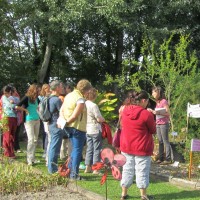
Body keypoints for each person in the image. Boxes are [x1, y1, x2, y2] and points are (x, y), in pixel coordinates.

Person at [120, 90, 156, 200]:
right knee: (142, 171)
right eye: (147, 101)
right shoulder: (147, 114)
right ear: (144, 101)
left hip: (126, 146)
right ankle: (143, 196)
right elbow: (153, 130)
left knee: (127, 170)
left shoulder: (124, 111)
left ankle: (124, 194)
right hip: (142, 147)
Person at [59, 79, 92, 180]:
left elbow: (62, 110)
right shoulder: (80, 99)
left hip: (68, 127)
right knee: (77, 151)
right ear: (86, 90)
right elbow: (75, 115)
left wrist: (63, 122)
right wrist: (68, 121)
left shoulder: (69, 95)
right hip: (77, 127)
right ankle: (74, 174)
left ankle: (69, 171)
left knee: (73, 150)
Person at [15, 84, 40, 165]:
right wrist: (25, 109)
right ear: (33, 90)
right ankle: (29, 159)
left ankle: (33, 158)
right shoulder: (26, 98)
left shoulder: (37, 99)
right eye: (37, 90)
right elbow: (16, 106)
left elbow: (38, 107)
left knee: (35, 140)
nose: (39, 91)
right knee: (31, 139)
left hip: (37, 120)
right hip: (29, 121)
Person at [148, 86, 171, 165]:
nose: (152, 93)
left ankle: (168, 159)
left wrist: (157, 113)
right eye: (152, 92)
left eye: (154, 92)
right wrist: (152, 111)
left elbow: (168, 113)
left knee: (165, 141)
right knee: (160, 141)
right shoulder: (157, 102)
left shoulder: (164, 101)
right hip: (158, 123)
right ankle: (161, 158)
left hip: (164, 124)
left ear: (158, 92)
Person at [84, 88, 105, 174]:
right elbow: (98, 118)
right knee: (97, 149)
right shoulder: (94, 105)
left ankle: (87, 167)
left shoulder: (84, 104)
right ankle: (96, 168)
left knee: (89, 148)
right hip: (95, 129)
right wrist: (103, 119)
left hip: (87, 128)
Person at [47, 80, 65, 173]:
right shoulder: (57, 100)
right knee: (55, 147)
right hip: (56, 125)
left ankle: (51, 167)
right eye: (61, 87)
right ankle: (53, 169)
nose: (62, 88)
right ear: (57, 88)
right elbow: (62, 112)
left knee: (52, 146)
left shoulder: (49, 98)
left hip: (50, 124)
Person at [1, 85, 18, 158]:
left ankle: (11, 152)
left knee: (12, 135)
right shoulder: (3, 97)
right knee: (7, 136)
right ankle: (7, 153)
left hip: (13, 117)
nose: (7, 94)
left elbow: (16, 105)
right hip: (6, 117)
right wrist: (13, 104)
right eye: (5, 93)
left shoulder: (11, 97)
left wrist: (14, 104)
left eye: (8, 92)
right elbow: (10, 105)